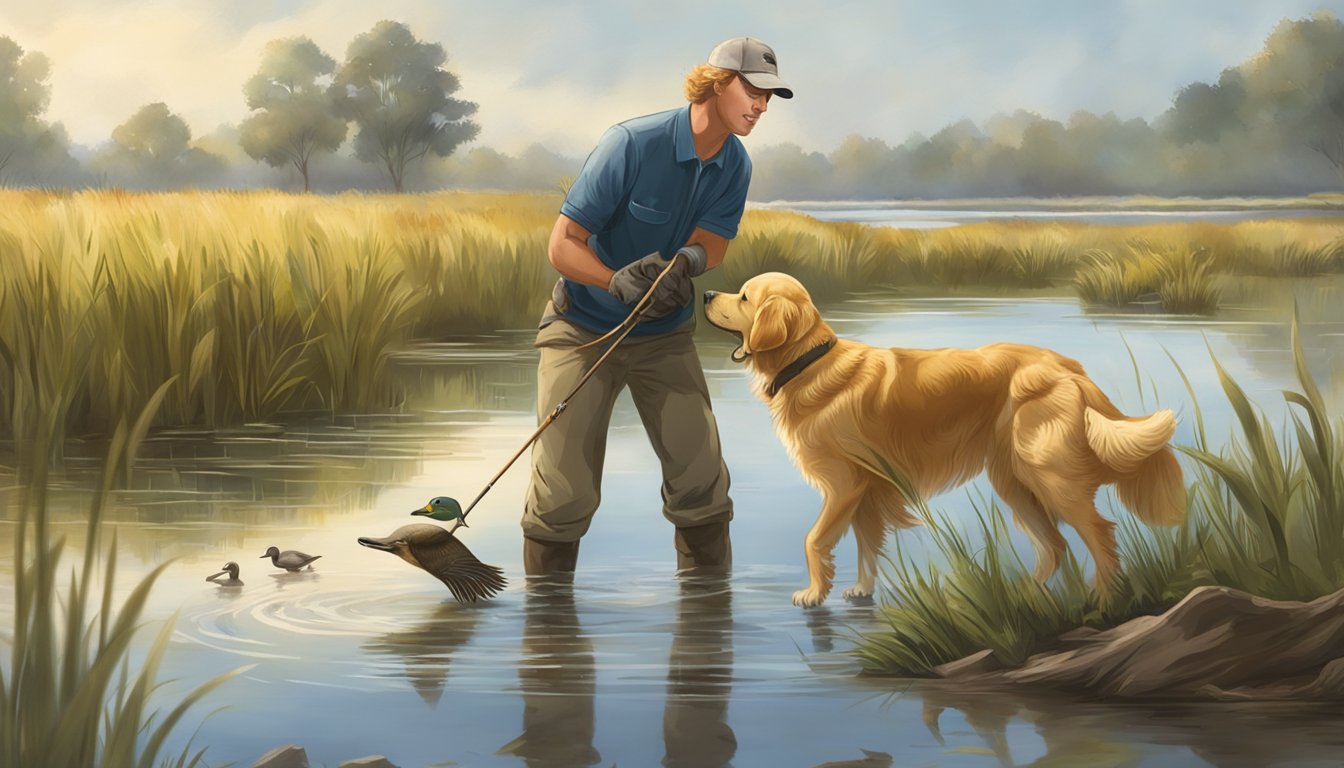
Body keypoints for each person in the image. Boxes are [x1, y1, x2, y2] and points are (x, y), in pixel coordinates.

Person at [521, 36, 792, 578]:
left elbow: (714, 241)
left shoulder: (735, 163)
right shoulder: (630, 143)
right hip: (583, 329)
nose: (762, 106)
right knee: (563, 493)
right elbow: (562, 244)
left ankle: (707, 635)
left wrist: (688, 262)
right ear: (717, 84)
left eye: (770, 96)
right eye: (753, 91)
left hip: (663, 336)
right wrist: (614, 280)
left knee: (702, 482)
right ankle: (548, 635)